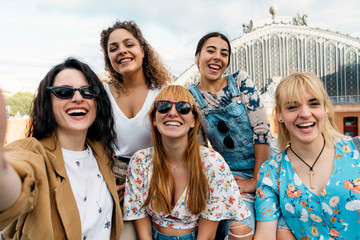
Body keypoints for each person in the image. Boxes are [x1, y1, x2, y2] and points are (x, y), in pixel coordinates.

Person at [0, 58, 122, 239]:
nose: (78, 98)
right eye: (64, 92)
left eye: (88, 91)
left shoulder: (102, 152)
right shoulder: (32, 153)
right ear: (47, 103)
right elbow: (16, 176)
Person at [187, 32, 285, 239]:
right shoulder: (191, 97)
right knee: (240, 229)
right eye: (210, 50)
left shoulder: (240, 81)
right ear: (197, 58)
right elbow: (201, 150)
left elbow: (261, 130)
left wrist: (256, 179)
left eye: (224, 53)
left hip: (270, 164)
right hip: (232, 174)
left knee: (283, 228)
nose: (217, 57)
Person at [123, 85, 250, 240]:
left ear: (193, 121)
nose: (172, 112)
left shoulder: (212, 163)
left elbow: (207, 236)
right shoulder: (140, 162)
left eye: (183, 108)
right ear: (154, 119)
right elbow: (143, 230)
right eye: (163, 106)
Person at [254, 72, 360, 239]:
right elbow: (265, 235)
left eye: (314, 104)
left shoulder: (357, 151)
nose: (304, 113)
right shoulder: (271, 173)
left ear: (325, 108)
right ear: (279, 114)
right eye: (292, 107)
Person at [100, 19, 173, 239]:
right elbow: (95, 145)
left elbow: (187, 144)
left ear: (142, 50)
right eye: (113, 49)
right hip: (117, 183)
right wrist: (109, 185)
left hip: (161, 179)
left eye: (128, 45)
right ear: (109, 59)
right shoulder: (102, 95)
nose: (121, 51)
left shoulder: (165, 92)